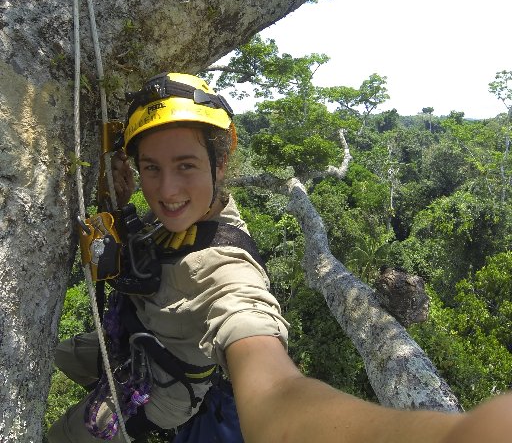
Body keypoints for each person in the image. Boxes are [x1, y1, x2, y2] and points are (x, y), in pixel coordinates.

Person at [48, 72, 512, 443]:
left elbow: (275, 391)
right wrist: (121, 206)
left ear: (220, 164)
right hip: (130, 339)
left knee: (62, 435)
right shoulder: (175, 216)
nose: (166, 191)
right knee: (48, 352)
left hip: (159, 388)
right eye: (151, 168)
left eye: (185, 165)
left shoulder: (227, 269)